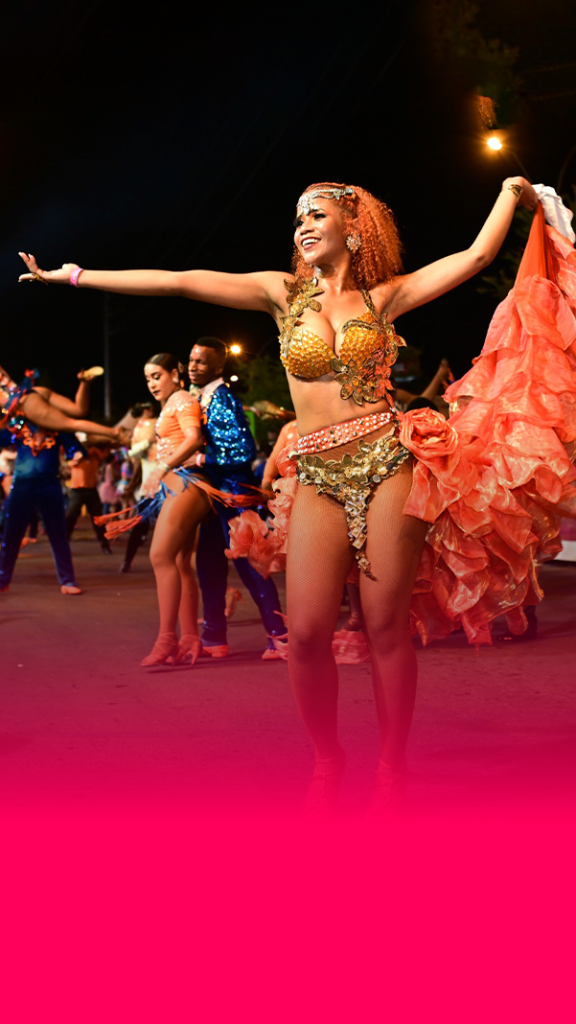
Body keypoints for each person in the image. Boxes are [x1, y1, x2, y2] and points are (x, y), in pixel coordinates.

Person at [20, 176, 576, 818]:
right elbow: (178, 279)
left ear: (352, 229)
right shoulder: (280, 294)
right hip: (316, 474)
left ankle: (391, 768)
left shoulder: (385, 296)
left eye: (317, 215)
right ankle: (328, 759)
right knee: (308, 634)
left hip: (387, 462)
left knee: (385, 628)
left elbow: (476, 257)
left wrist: (511, 192)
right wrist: (73, 276)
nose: (303, 226)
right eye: (297, 219)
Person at [188, 337, 286, 660]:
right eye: (191, 360)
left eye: (201, 361)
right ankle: (214, 637)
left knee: (250, 566)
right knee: (208, 564)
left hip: (234, 494)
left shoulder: (223, 399)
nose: (193, 366)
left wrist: (200, 459)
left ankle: (280, 636)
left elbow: (243, 451)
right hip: (214, 495)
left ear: (218, 366)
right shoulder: (200, 398)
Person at [0, 418, 86, 594]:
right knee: (11, 534)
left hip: (49, 483)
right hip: (22, 484)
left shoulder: (57, 427)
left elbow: (75, 447)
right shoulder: (19, 424)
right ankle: (3, 580)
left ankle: (68, 580)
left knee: (58, 533)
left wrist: (76, 454)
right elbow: (2, 438)